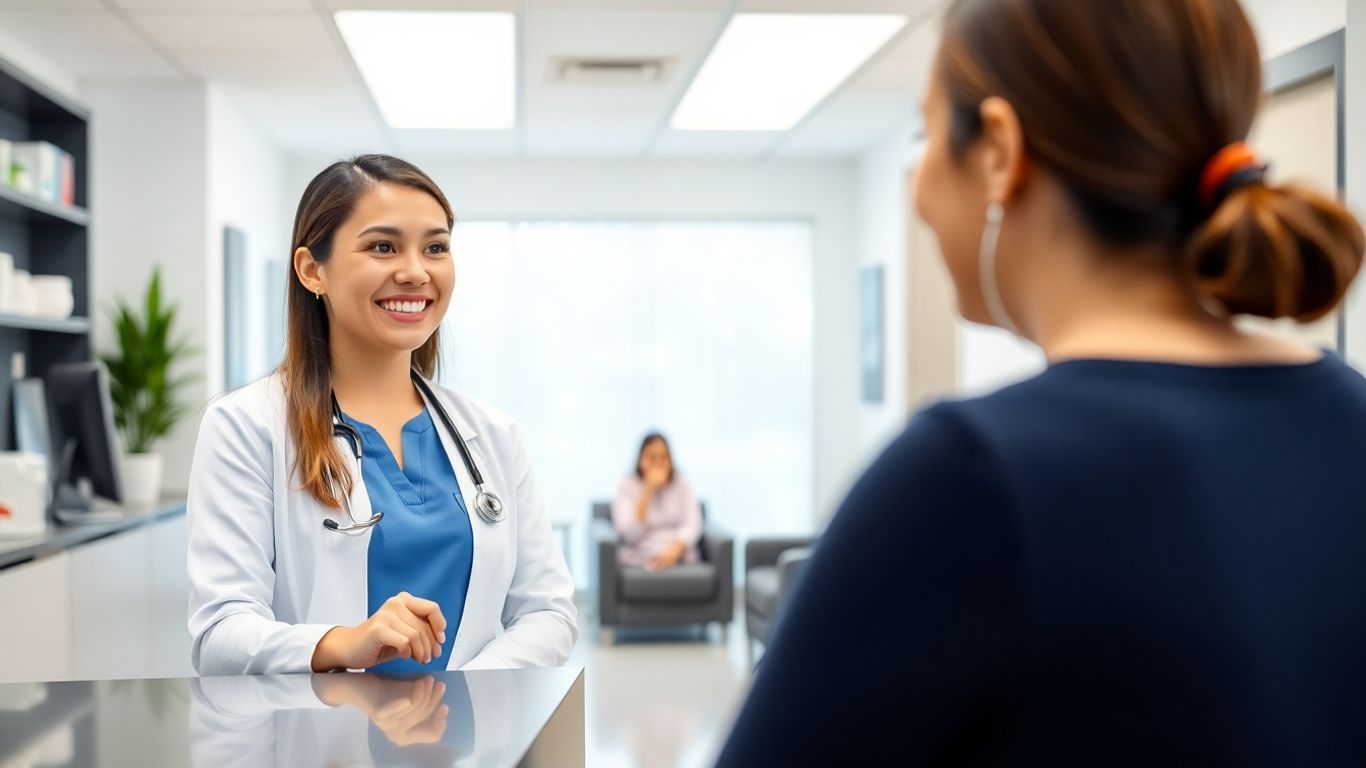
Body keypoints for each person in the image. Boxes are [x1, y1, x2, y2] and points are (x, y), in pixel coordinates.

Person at [716, 0, 1366, 764]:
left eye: (928, 136)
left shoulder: (968, 477)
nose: (920, 188)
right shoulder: (1350, 421)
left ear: (998, 150)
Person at [186, 154, 577, 676]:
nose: (415, 271)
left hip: (468, 748)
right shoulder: (247, 427)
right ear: (312, 270)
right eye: (382, 246)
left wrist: (458, 699)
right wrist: (343, 644)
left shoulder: (492, 435)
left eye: (435, 247)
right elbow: (220, 633)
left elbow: (548, 612)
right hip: (321, 746)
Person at [611, 433, 702, 571]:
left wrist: (675, 549)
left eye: (664, 457)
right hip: (641, 555)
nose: (658, 463)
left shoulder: (681, 482)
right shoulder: (627, 485)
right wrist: (648, 490)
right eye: (652, 458)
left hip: (678, 553)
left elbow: (692, 524)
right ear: (641, 460)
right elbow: (629, 535)